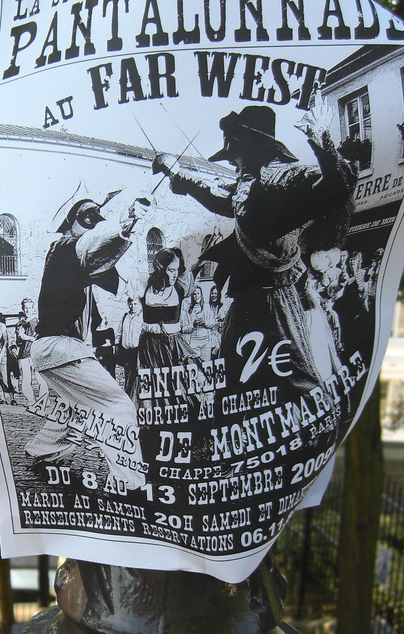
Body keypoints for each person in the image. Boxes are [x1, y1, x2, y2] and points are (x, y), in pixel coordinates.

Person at [153, 103, 357, 394]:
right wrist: (175, 171)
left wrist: (321, 137)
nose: (232, 161)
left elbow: (338, 186)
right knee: (232, 370)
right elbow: (220, 197)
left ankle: (320, 429)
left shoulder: (279, 176)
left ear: (248, 146)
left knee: (298, 376)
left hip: (277, 295)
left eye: (234, 153)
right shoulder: (248, 180)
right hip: (248, 295)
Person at [25, 187, 150, 489]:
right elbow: (94, 244)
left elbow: (105, 265)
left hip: (51, 349)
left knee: (76, 408)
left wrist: (127, 228)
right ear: (70, 222)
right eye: (88, 217)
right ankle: (129, 484)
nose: (94, 222)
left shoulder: (74, 261)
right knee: (118, 407)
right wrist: (125, 222)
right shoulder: (64, 245)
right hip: (59, 347)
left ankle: (43, 453)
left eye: (97, 217)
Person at [138, 247, 195, 375]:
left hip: (172, 345)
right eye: (171, 270)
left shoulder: (179, 288)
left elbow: (190, 275)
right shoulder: (145, 287)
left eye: (177, 270)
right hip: (149, 346)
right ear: (161, 270)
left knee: (174, 383)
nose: (175, 274)